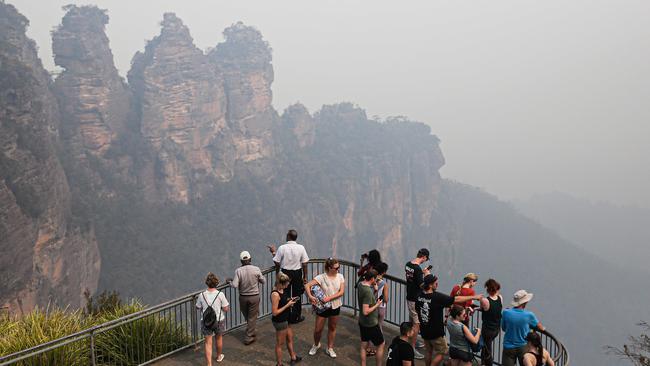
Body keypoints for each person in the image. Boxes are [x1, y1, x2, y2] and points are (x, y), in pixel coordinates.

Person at [416, 274, 482, 366]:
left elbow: (417, 310)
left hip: (424, 329)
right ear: (430, 285)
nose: (437, 284)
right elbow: (456, 299)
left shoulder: (419, 295)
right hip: (436, 332)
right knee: (443, 351)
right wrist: (474, 297)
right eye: (435, 283)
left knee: (428, 351)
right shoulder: (437, 297)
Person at [305, 258, 345, 358]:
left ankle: (330, 348)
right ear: (329, 268)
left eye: (338, 267)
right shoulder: (321, 277)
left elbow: (341, 292)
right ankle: (316, 344)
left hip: (335, 305)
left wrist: (329, 298)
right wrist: (310, 296)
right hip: (322, 307)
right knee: (318, 329)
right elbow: (307, 285)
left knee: (332, 327)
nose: (338, 269)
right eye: (336, 268)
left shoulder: (340, 277)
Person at [268, 229, 309, 324]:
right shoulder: (301, 248)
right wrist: (305, 276)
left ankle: (285, 316)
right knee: (297, 295)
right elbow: (305, 263)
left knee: (284, 294)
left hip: (285, 273)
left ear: (288, 236)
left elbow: (277, 262)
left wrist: (273, 253)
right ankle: (296, 317)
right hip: (297, 273)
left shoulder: (282, 248)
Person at [228, 250, 266, 345]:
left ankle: (249, 334)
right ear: (250, 259)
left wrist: (229, 282)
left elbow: (235, 285)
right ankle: (249, 334)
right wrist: (259, 278)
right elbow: (263, 281)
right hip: (254, 297)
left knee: (248, 315)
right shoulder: (256, 269)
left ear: (241, 261)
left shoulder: (238, 271)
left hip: (243, 297)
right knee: (252, 316)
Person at [501, 290, 545, 366]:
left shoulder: (506, 313)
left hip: (508, 346)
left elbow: (504, 328)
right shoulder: (529, 315)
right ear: (524, 302)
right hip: (523, 346)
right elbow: (541, 328)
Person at [196, 273, 230, 365]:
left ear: (207, 283)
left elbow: (198, 307)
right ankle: (219, 356)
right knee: (218, 338)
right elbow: (226, 308)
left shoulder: (201, 295)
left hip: (206, 321)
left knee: (208, 342)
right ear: (216, 283)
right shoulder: (220, 294)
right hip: (219, 320)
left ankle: (209, 364)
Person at [404, 248, 431, 360]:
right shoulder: (418, 269)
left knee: (412, 321)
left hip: (409, 295)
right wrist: (427, 275)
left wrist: (421, 273)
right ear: (423, 257)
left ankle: (411, 341)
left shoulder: (408, 264)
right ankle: (412, 349)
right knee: (416, 323)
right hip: (415, 298)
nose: (425, 261)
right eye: (426, 258)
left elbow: (412, 278)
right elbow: (422, 285)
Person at [271, 273, 302, 366]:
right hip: (280, 321)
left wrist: (290, 300)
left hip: (286, 318)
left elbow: (283, 300)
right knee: (280, 343)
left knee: (290, 338)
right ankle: (279, 364)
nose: (288, 285)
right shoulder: (275, 294)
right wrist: (287, 305)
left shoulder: (282, 290)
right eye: (286, 284)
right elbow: (275, 312)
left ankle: (293, 357)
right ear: (281, 283)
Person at [358, 269, 385, 366]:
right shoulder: (367, 291)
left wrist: (375, 290)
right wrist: (377, 304)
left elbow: (367, 301)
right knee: (381, 344)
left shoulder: (361, 284)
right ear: (372, 278)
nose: (377, 280)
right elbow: (366, 311)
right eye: (376, 279)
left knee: (363, 345)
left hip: (362, 321)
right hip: (371, 323)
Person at [479, 279, 503, 365]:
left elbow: (483, 309)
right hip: (496, 329)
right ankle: (482, 363)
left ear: (487, 289)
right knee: (485, 347)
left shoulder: (485, 300)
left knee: (487, 350)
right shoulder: (500, 298)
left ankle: (487, 364)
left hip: (487, 329)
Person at [375, 262, 389, 331]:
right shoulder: (384, 284)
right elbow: (386, 299)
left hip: (372, 306)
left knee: (372, 326)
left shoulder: (372, 280)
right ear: (384, 272)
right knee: (379, 326)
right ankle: (379, 341)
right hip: (381, 306)